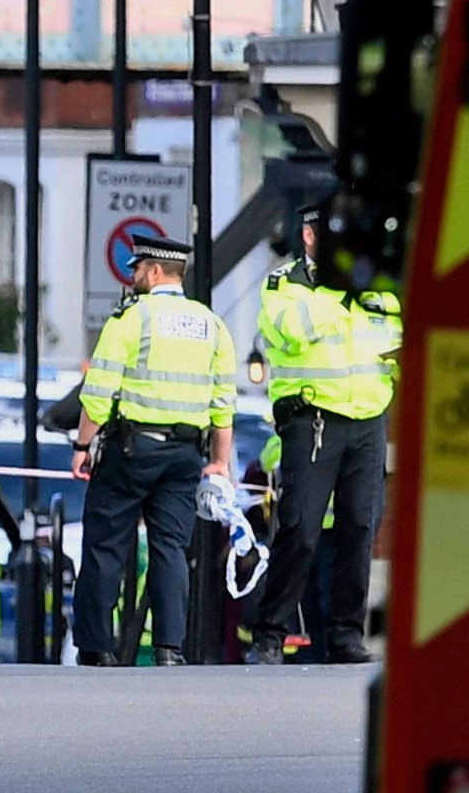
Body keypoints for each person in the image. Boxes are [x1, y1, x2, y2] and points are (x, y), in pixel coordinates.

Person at [72, 232, 236, 664]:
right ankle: (169, 648)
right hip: (186, 456)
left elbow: (98, 391)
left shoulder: (133, 319)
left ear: (157, 271)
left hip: (133, 450)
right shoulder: (211, 325)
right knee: (171, 548)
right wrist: (219, 461)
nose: (136, 276)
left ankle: (96, 647)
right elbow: (224, 404)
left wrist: (82, 444)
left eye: (140, 268)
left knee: (106, 545)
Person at [247, 206, 399, 664]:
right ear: (310, 236)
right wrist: (343, 293)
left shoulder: (374, 286)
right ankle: (270, 636)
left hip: (368, 419)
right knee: (300, 529)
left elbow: (394, 333)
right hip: (313, 420)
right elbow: (296, 331)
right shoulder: (285, 285)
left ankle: (346, 637)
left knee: (359, 528)